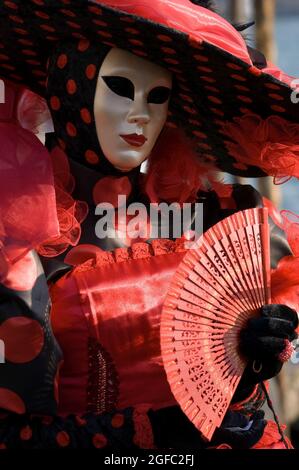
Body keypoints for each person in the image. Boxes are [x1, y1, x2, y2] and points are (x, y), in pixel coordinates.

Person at [0, 0, 298, 449]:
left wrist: (251, 369)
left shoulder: (219, 215)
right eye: (120, 86)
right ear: (68, 82)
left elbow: (243, 405)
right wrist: (152, 435)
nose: (142, 113)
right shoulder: (20, 237)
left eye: (158, 95)